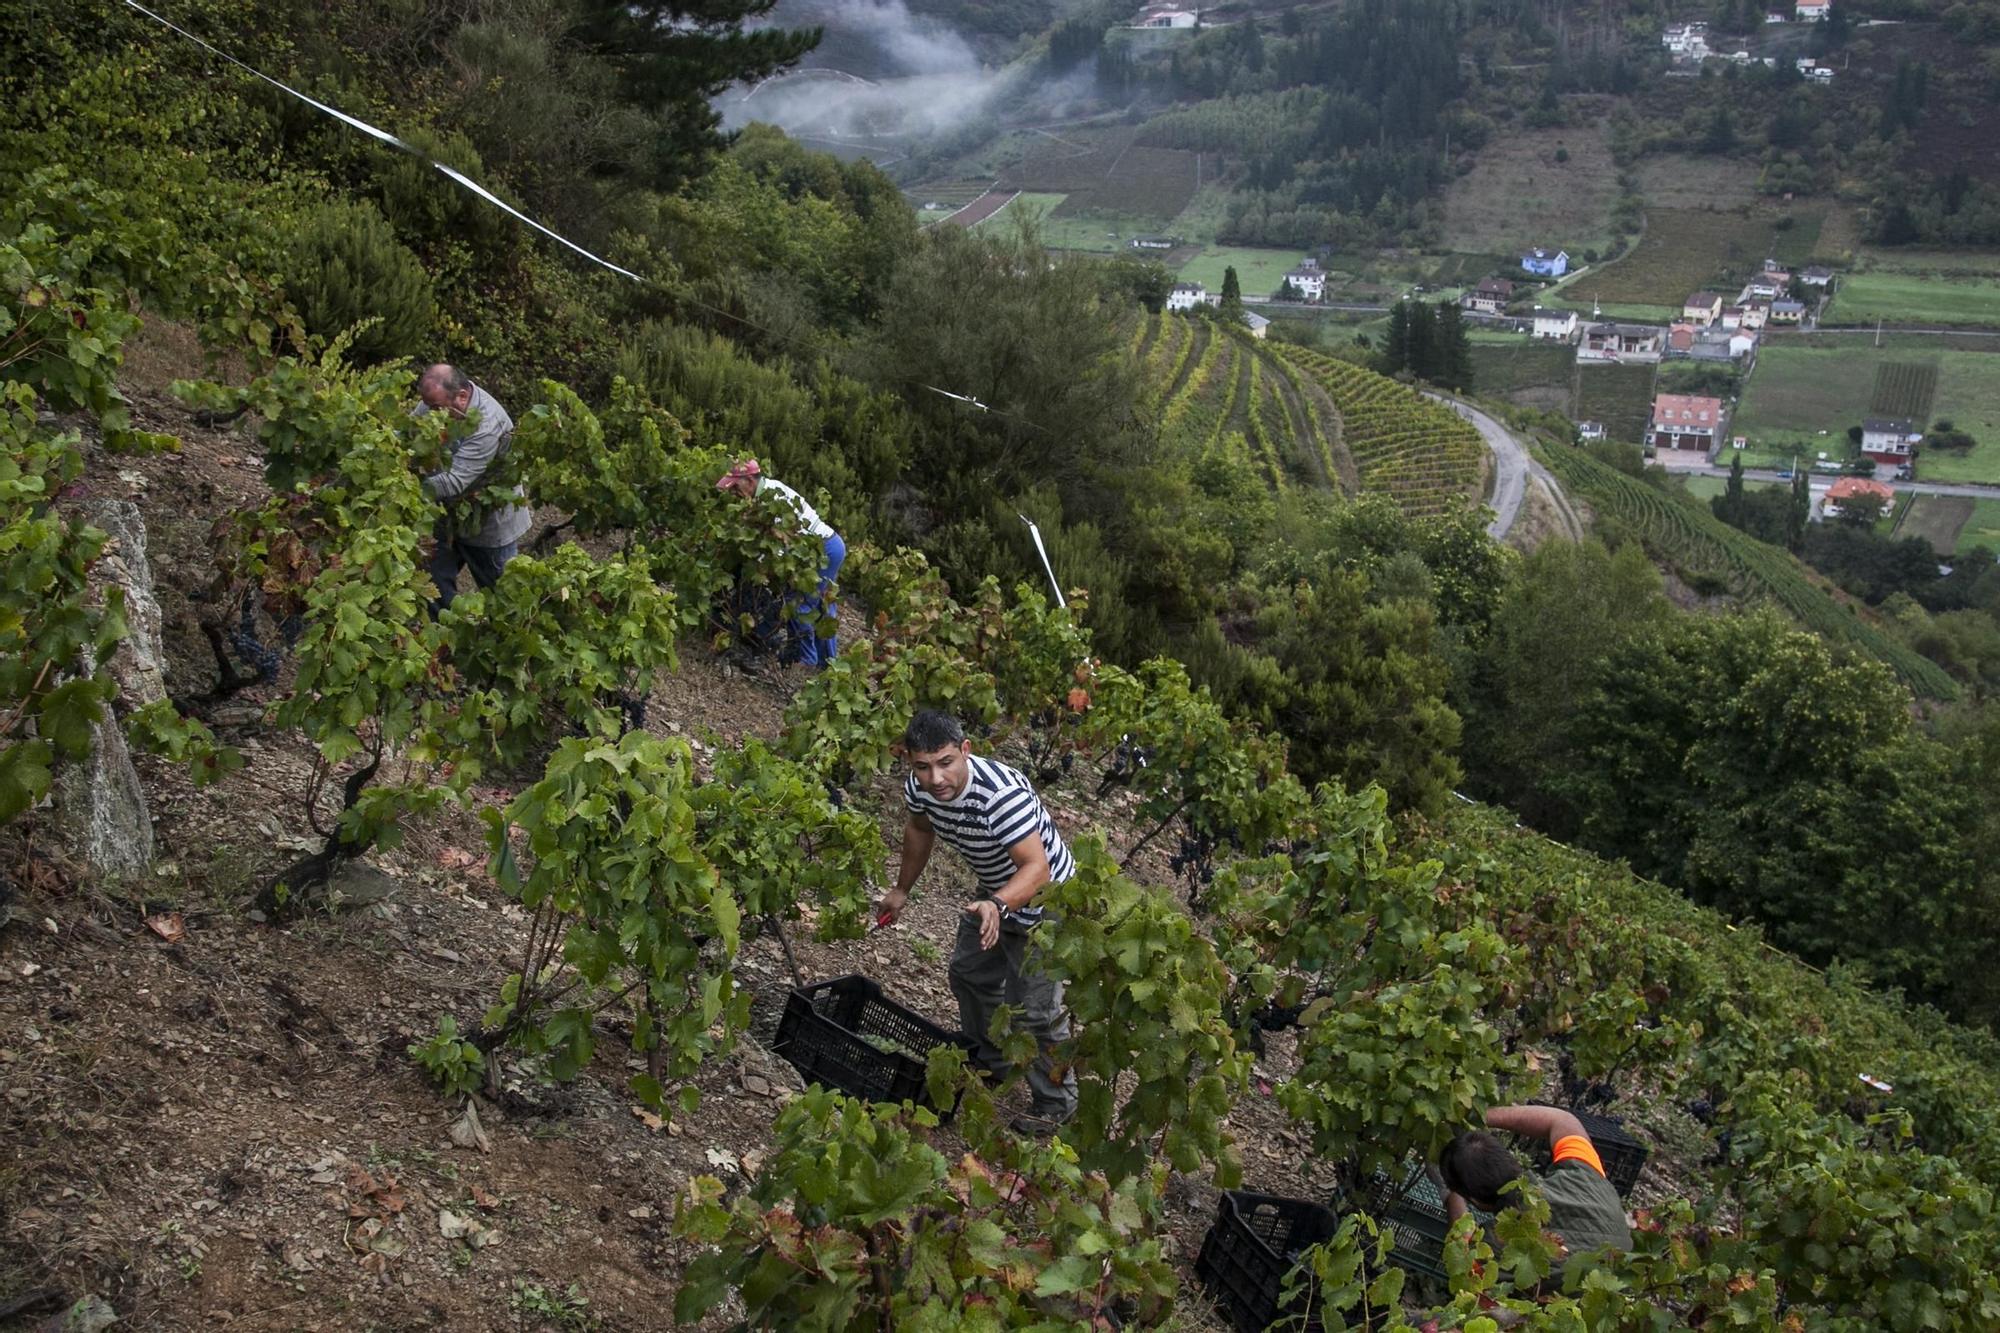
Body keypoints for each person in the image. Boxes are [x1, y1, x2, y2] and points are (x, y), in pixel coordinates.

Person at [876, 709, 1078, 1135]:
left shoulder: (999, 797)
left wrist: (998, 906)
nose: (935, 778)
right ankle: (993, 1062)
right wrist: (902, 889)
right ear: (910, 762)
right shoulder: (922, 788)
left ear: (965, 751)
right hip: (996, 890)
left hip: (1048, 901)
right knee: (968, 973)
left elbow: (1036, 869)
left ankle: (1057, 1103)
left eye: (946, 762)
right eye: (923, 766)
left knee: (1036, 1012)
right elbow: (919, 829)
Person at [1439, 1104, 1633, 1268]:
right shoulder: (1581, 1175)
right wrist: (1479, 1114)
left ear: (1474, 1199)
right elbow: (1562, 1120)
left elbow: (1461, 1263)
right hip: (1625, 1289)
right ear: (1511, 1160)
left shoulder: (1494, 1248)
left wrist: (1448, 1193)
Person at [414, 364, 531, 613]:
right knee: (433, 585)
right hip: (445, 516)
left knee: (505, 599)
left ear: (462, 397)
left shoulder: (487, 425)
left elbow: (454, 481)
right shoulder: (433, 403)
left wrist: (408, 486)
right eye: (428, 406)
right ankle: (445, 642)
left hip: (488, 524)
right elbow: (410, 434)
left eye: (437, 408)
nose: (431, 413)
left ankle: (506, 645)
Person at [715, 459, 845, 668]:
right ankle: (828, 664)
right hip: (826, 547)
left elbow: (779, 548)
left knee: (799, 604)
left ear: (749, 480)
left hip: (825, 549)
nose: (733, 492)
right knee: (821, 607)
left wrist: (759, 568)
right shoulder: (762, 497)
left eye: (736, 486)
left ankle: (806, 661)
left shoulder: (773, 499)